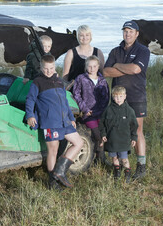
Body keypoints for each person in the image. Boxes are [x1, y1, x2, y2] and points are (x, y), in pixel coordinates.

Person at [25, 54, 84, 189]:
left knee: (78, 143)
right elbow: (30, 99)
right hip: (50, 122)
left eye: (51, 68)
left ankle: (60, 172)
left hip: (64, 121)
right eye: (46, 68)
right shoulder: (37, 82)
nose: (48, 71)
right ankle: (52, 182)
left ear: (54, 67)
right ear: (41, 67)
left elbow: (65, 101)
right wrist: (30, 115)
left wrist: (71, 118)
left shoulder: (59, 81)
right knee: (53, 150)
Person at [103, 20, 150, 181]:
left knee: (137, 131)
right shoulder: (115, 51)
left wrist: (117, 65)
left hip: (136, 96)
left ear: (137, 34)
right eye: (125, 31)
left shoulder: (143, 50)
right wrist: (126, 68)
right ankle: (120, 165)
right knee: (116, 129)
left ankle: (141, 166)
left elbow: (136, 69)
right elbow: (106, 72)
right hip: (117, 98)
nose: (127, 34)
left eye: (131, 31)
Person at [71, 55, 109, 165]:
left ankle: (99, 159)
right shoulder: (81, 78)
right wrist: (85, 109)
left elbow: (106, 97)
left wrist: (102, 110)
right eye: (89, 66)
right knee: (97, 135)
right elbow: (76, 95)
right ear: (86, 66)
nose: (92, 69)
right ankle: (98, 157)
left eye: (94, 66)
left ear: (98, 66)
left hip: (100, 113)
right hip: (88, 113)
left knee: (101, 134)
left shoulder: (102, 80)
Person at [100, 86, 138, 182]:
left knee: (124, 159)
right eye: (116, 96)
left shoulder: (129, 111)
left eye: (121, 96)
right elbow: (102, 123)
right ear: (113, 97)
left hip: (124, 140)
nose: (118, 99)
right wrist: (103, 134)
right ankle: (117, 173)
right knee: (114, 157)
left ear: (125, 96)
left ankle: (127, 174)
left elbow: (134, 125)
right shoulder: (108, 110)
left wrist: (134, 137)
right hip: (112, 139)